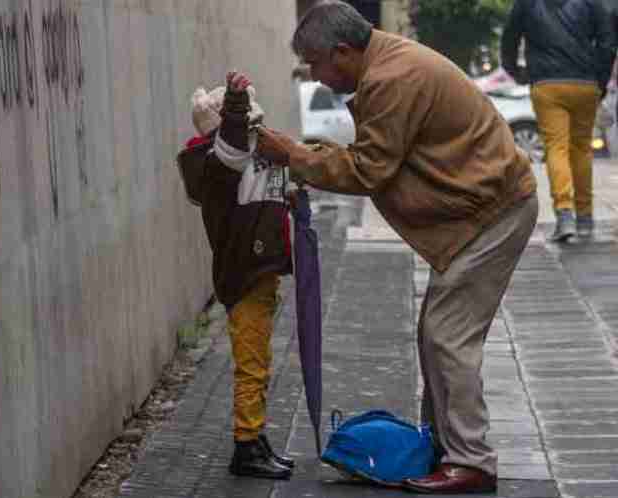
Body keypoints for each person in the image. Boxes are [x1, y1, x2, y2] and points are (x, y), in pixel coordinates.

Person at [256, 1, 538, 494]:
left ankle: (471, 461)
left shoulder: (392, 77)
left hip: (492, 213)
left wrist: (295, 155)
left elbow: (369, 169)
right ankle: (448, 447)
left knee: (447, 336)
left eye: (317, 64)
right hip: (482, 211)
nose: (318, 78)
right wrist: (303, 157)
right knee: (438, 333)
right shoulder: (388, 64)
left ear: (342, 52)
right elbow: (377, 160)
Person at [179, 71, 296, 480]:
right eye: (248, 126)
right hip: (243, 279)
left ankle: (256, 438)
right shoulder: (219, 169)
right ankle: (246, 446)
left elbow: (269, 181)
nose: (254, 133)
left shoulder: (242, 165)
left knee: (259, 362)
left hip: (260, 276)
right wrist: (235, 103)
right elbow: (230, 147)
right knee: (251, 366)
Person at [501, 0, 615, 240]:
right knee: (581, 149)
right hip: (585, 82)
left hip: (547, 83)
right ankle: (585, 217)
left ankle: (564, 216)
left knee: (556, 147)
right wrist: (600, 81)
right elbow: (607, 42)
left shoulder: (528, 4)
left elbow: (509, 37)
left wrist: (516, 71)